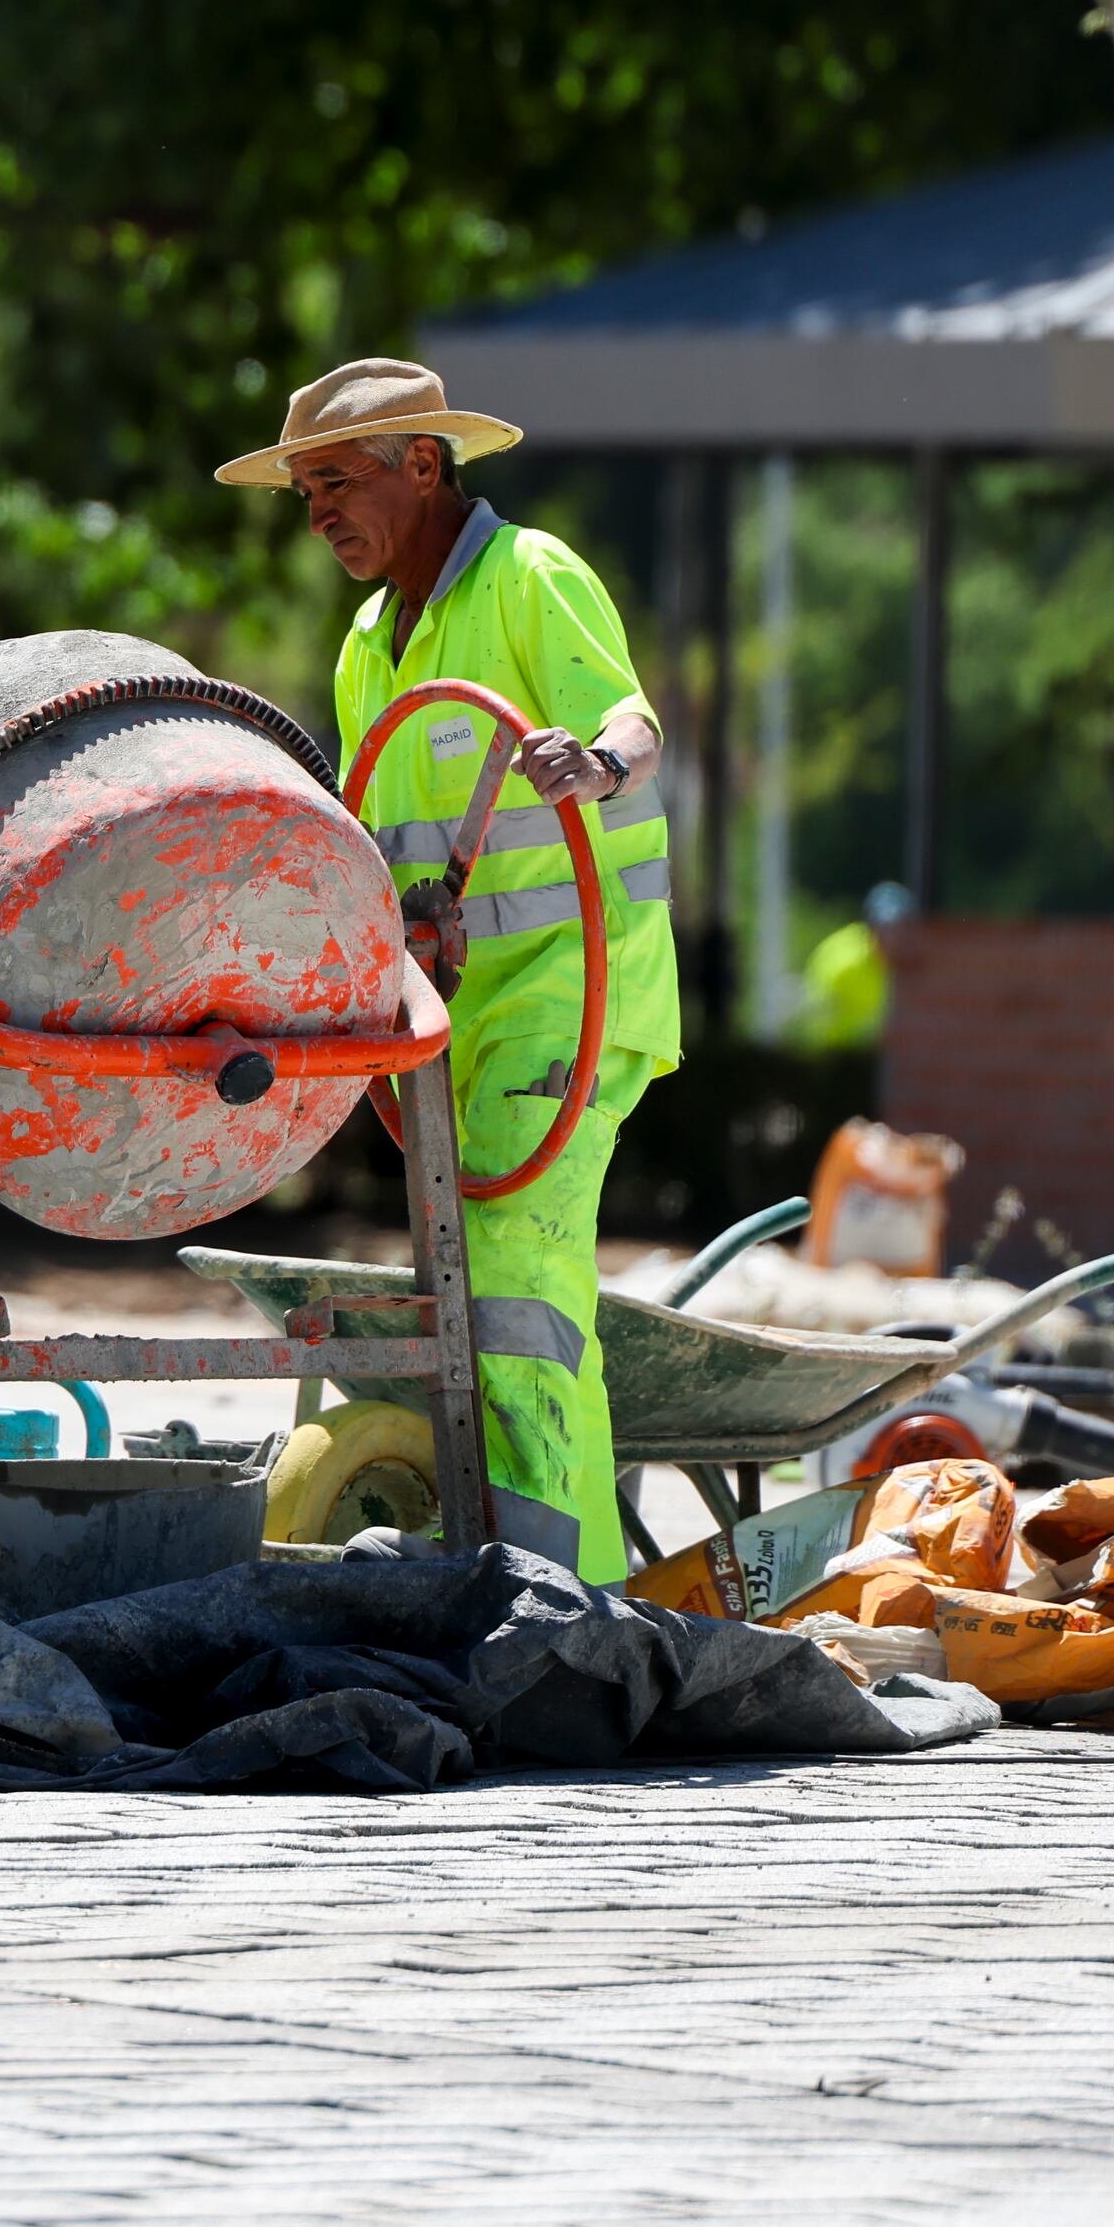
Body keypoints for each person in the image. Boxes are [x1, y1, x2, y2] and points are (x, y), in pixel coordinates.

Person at [221, 356, 680, 1580]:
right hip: (452, 1017)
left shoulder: (527, 575)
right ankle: (500, 1561)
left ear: (420, 464)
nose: (316, 510)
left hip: (568, 993)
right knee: (470, 1292)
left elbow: (630, 717)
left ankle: (568, 1597)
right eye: (301, 489)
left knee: (518, 1282)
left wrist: (592, 761)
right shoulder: (370, 640)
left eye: (334, 479)